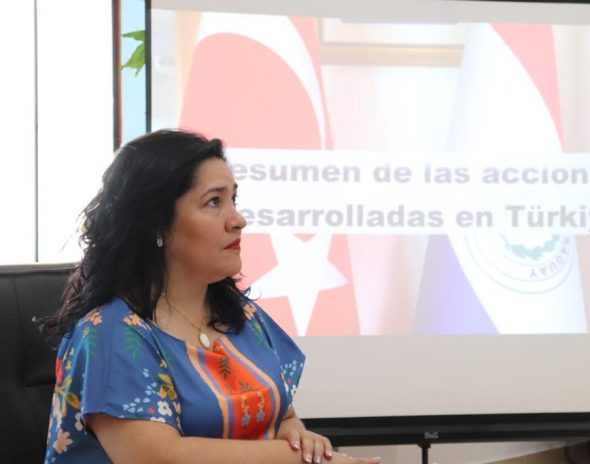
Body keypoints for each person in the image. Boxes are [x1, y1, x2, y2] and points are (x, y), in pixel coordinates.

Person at [40, 129, 381, 464]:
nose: (238, 220)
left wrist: (300, 440)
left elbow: (283, 418)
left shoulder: (243, 317)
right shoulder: (110, 332)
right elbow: (156, 458)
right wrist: (295, 459)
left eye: (234, 200)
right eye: (214, 202)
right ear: (155, 224)